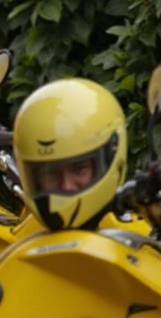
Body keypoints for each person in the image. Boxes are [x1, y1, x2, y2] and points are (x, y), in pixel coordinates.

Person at [12, 77, 128, 231]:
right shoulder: (21, 237)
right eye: (51, 173)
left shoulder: (143, 233)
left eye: (79, 169)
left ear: (111, 156)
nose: (66, 185)